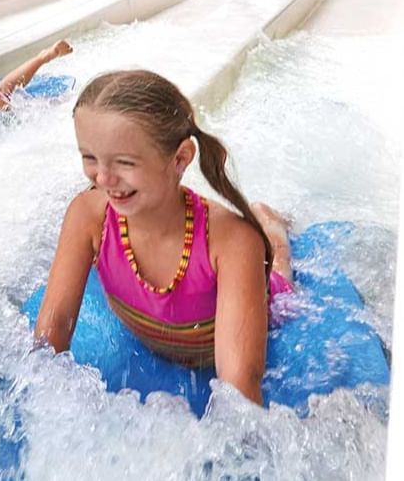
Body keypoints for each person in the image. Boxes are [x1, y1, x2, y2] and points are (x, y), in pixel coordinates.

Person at [34, 70, 293, 405]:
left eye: (124, 162)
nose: (102, 177)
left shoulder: (232, 242)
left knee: (277, 261)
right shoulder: (88, 217)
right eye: (90, 158)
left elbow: (239, 390)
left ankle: (271, 223)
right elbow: (48, 339)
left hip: (263, 297)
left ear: (181, 158)